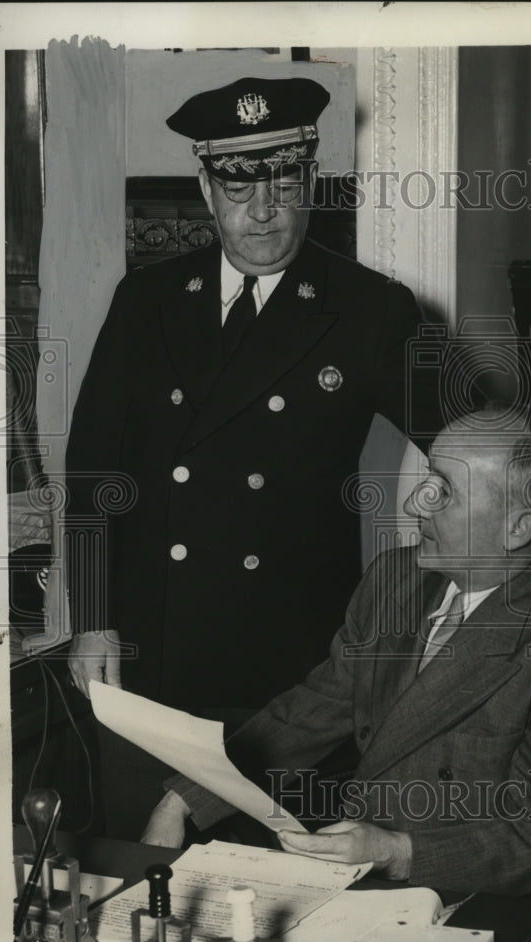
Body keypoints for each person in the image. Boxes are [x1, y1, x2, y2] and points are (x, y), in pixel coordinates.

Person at [64, 77, 445, 838]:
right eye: (239, 184)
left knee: (264, 891)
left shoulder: (370, 309)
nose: (263, 208)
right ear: (207, 189)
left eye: (284, 180)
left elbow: (478, 445)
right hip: (148, 653)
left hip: (282, 670)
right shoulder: (147, 300)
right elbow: (92, 471)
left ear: (310, 182)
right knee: (145, 882)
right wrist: (95, 621)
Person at [141, 404, 531, 896]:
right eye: (428, 480)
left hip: (465, 892)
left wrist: (396, 853)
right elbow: (308, 716)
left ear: (518, 527)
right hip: (353, 862)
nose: (415, 504)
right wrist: (184, 799)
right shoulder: (395, 579)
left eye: (444, 492)